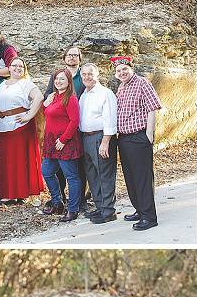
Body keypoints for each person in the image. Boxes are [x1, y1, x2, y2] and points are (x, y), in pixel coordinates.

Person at [113, 56, 162, 231]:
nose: (122, 73)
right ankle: (140, 210)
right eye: (118, 71)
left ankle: (149, 217)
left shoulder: (142, 83)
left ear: (131, 68)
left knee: (142, 178)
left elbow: (152, 108)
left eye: (124, 69)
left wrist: (149, 134)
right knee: (131, 177)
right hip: (124, 138)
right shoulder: (122, 87)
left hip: (139, 137)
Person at [0, 56, 44, 204]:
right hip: (2, 127)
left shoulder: (25, 83)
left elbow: (39, 97)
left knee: (19, 160)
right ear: (9, 68)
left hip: (19, 126)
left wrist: (29, 116)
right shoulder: (2, 84)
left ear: (24, 69)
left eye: (21, 66)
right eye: (14, 65)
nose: (17, 68)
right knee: (6, 161)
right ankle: (8, 193)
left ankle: (19, 193)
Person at [40, 67, 83, 222]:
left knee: (71, 176)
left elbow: (74, 121)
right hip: (51, 143)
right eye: (56, 79)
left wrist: (64, 139)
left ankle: (73, 209)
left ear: (68, 81)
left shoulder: (70, 98)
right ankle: (57, 202)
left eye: (62, 79)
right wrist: (45, 103)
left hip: (65, 143)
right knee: (46, 171)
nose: (58, 81)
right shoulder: (54, 96)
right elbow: (47, 112)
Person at [78, 62, 118, 223]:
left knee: (105, 174)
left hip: (101, 138)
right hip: (85, 138)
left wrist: (105, 141)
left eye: (90, 74)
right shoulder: (84, 95)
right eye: (84, 75)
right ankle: (100, 207)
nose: (87, 77)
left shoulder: (105, 93)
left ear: (97, 75)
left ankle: (109, 211)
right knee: (92, 175)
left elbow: (110, 119)